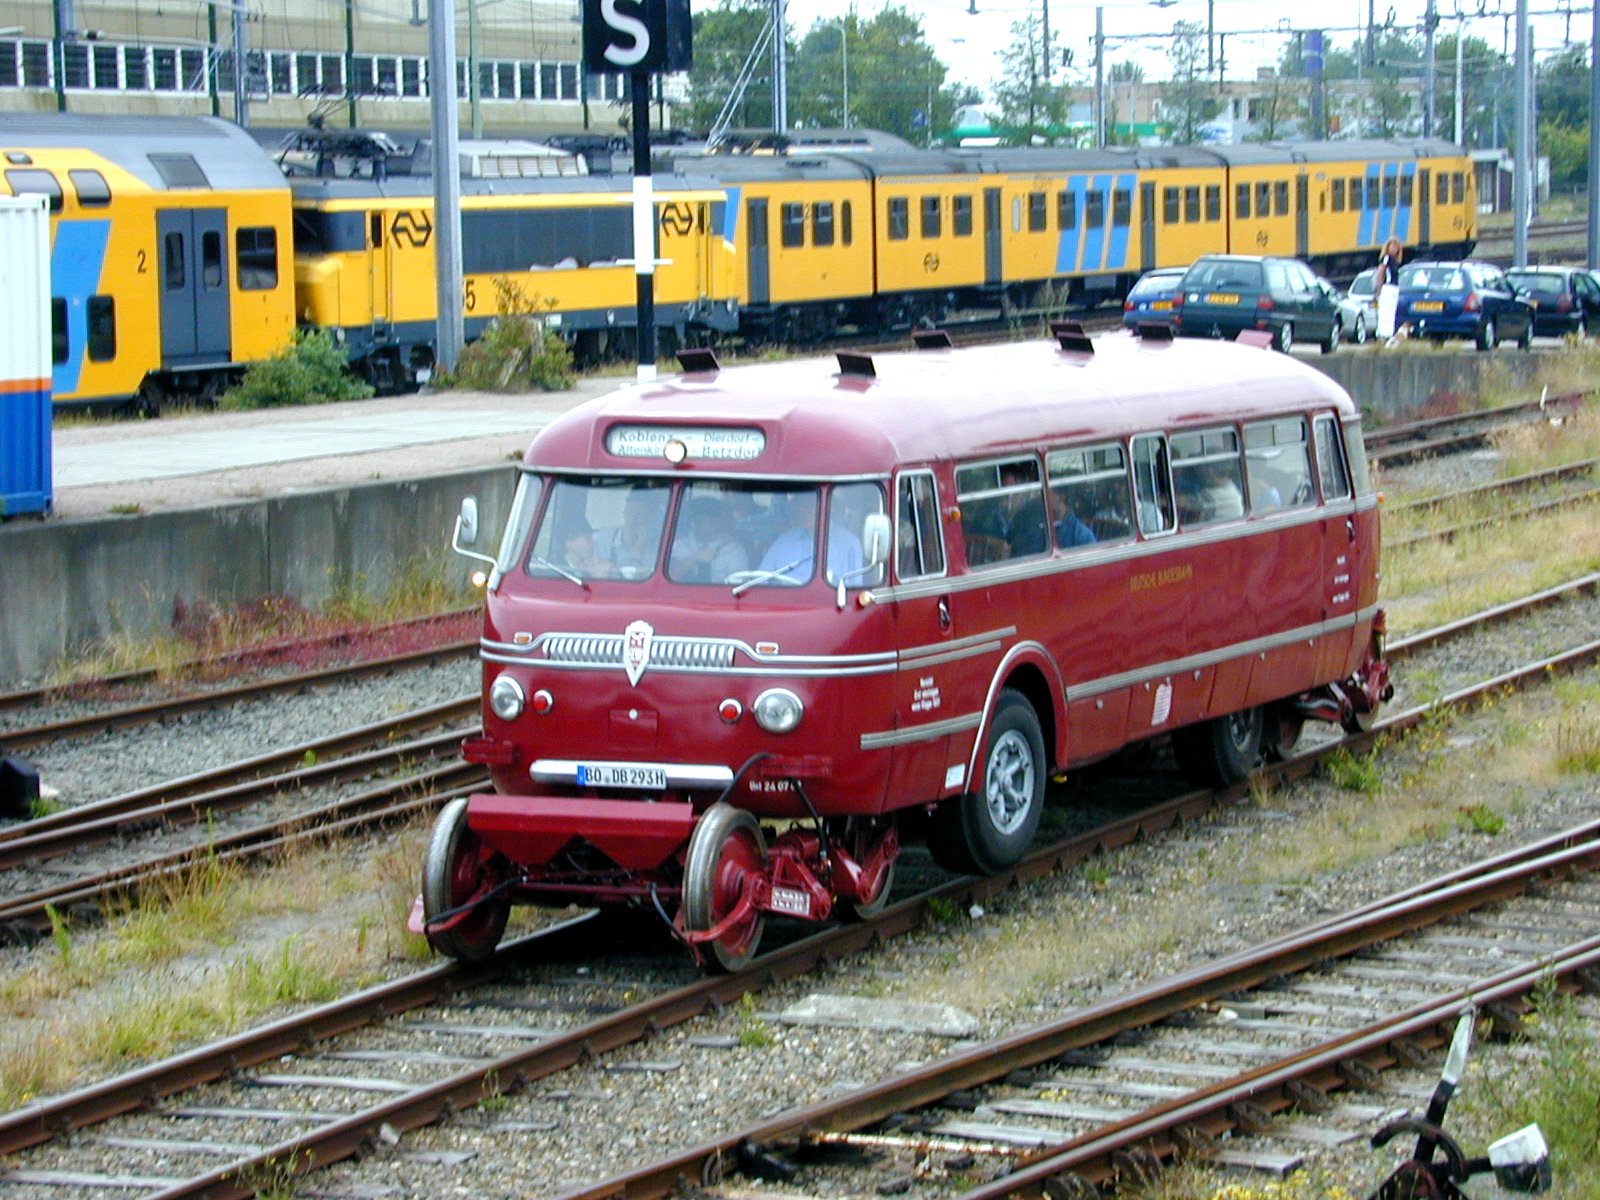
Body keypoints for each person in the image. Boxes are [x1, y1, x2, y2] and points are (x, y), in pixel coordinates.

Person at [670, 498, 749, 583]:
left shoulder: (734, 550)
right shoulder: (678, 546)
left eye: (712, 520)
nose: (706, 524)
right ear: (694, 521)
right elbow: (670, 577)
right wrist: (695, 558)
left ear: (719, 522)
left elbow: (741, 584)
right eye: (700, 520)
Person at [1376, 237, 1404, 340]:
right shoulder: (1386, 258)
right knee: (1385, 312)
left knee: (1392, 312)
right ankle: (1383, 334)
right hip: (1388, 288)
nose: (1395, 248)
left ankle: (1389, 333)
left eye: (1397, 246)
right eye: (1392, 246)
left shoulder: (1396, 261)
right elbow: (1380, 273)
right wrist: (1379, 289)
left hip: (1394, 289)